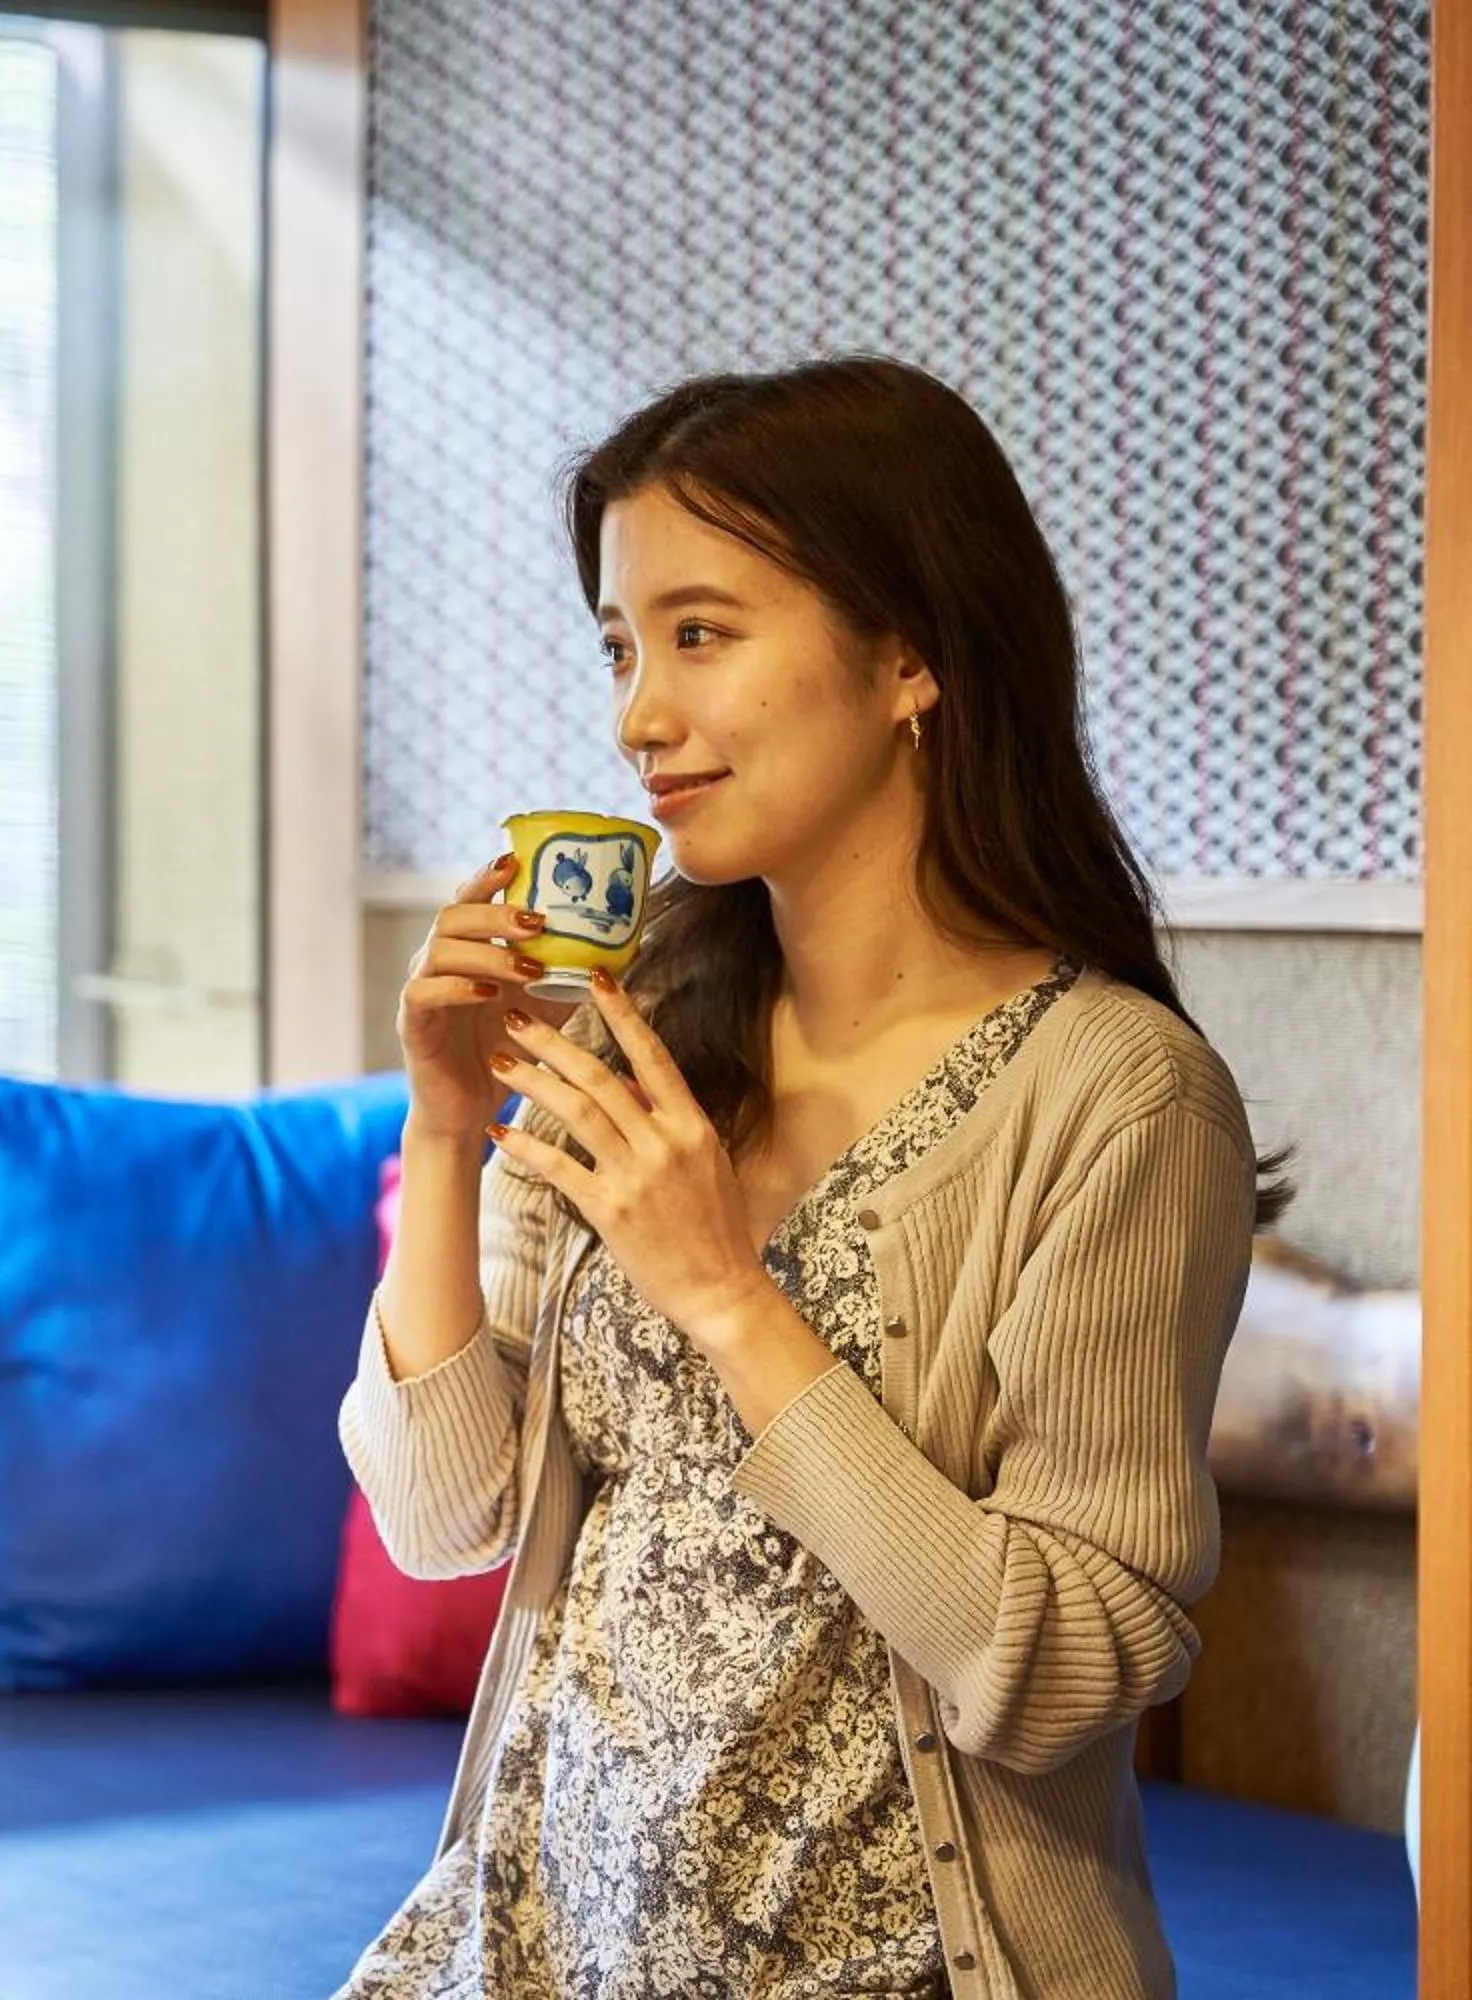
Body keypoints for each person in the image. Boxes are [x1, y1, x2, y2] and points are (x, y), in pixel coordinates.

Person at [332, 355, 1297, 2000]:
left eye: (701, 635)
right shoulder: (633, 1042)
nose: (640, 713)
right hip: (540, 1949)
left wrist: (726, 1296)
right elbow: (445, 1517)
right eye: (624, 648)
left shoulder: (1119, 1098)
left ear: (911, 652)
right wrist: (439, 1127)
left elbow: (1063, 1667)